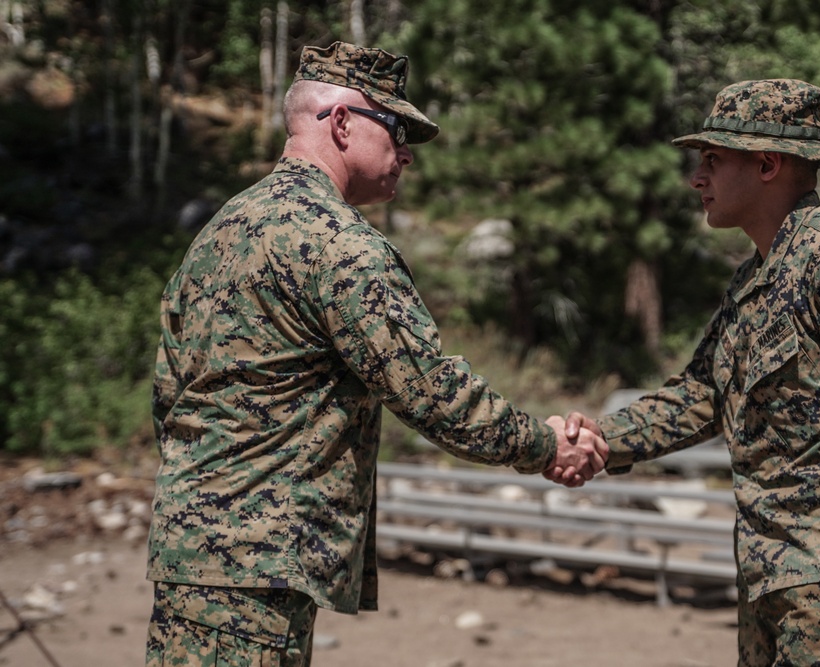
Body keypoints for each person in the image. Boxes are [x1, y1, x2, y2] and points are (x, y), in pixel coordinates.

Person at [144, 41, 606, 666]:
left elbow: (168, 395)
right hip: (259, 569)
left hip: (194, 557)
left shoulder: (222, 228)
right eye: (395, 128)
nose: (407, 152)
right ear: (341, 122)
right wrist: (547, 445)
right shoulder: (338, 244)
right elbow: (431, 392)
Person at [559, 79, 820, 666]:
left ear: (766, 164)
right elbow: (701, 394)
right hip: (777, 585)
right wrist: (602, 440)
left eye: (711, 160)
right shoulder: (755, 278)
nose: (696, 178)